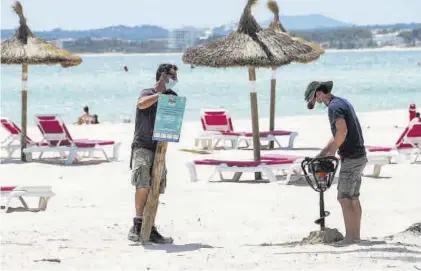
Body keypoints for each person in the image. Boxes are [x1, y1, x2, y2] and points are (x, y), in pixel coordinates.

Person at [304, 80, 368, 244]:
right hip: (359, 155)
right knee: (353, 198)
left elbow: (342, 130)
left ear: (318, 93)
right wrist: (324, 151)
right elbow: (338, 133)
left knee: (344, 198)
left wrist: (333, 151)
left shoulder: (333, 107)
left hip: (352, 157)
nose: (315, 102)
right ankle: (355, 236)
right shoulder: (342, 102)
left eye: (313, 99)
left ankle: (350, 238)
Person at [128, 63, 178, 243]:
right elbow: (141, 105)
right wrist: (161, 95)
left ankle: (151, 225)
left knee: (156, 187)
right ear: (163, 76)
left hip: (160, 148)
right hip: (142, 145)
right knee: (142, 184)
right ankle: (138, 223)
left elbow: (174, 119)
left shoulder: (172, 96)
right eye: (172, 76)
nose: (175, 80)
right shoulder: (147, 93)